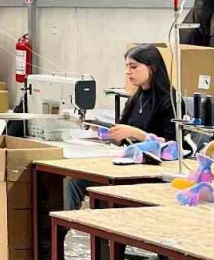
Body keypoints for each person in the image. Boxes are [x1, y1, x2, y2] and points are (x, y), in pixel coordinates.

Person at [66, 44, 176, 209]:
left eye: (134, 67)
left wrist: (136, 133)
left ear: (152, 68)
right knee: (74, 182)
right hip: (127, 164)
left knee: (101, 189)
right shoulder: (135, 98)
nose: (128, 72)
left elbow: (172, 147)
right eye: (127, 66)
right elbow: (122, 135)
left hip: (149, 172)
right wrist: (104, 131)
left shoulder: (170, 100)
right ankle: (63, 224)